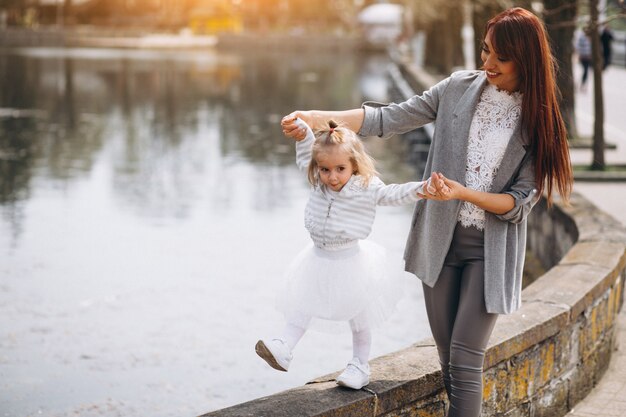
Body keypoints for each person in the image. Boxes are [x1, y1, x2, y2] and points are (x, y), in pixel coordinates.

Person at [281, 7, 572, 416]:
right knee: (448, 361)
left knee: (467, 359)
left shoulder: (540, 122)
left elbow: (519, 203)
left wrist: (463, 193)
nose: (487, 63)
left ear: (526, 60)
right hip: (438, 241)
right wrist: (316, 119)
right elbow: (388, 118)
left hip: (490, 253)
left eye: (499, 58)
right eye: (485, 51)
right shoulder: (457, 88)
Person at [255, 118, 444, 390]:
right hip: (317, 258)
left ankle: (359, 365)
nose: (332, 177)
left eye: (340, 169)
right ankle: (284, 347)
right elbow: (307, 155)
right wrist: (304, 134)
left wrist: (423, 188)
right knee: (301, 304)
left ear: (354, 164)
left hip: (352, 262)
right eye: (325, 169)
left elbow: (394, 194)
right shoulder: (318, 181)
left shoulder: (366, 188)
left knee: (360, 317)